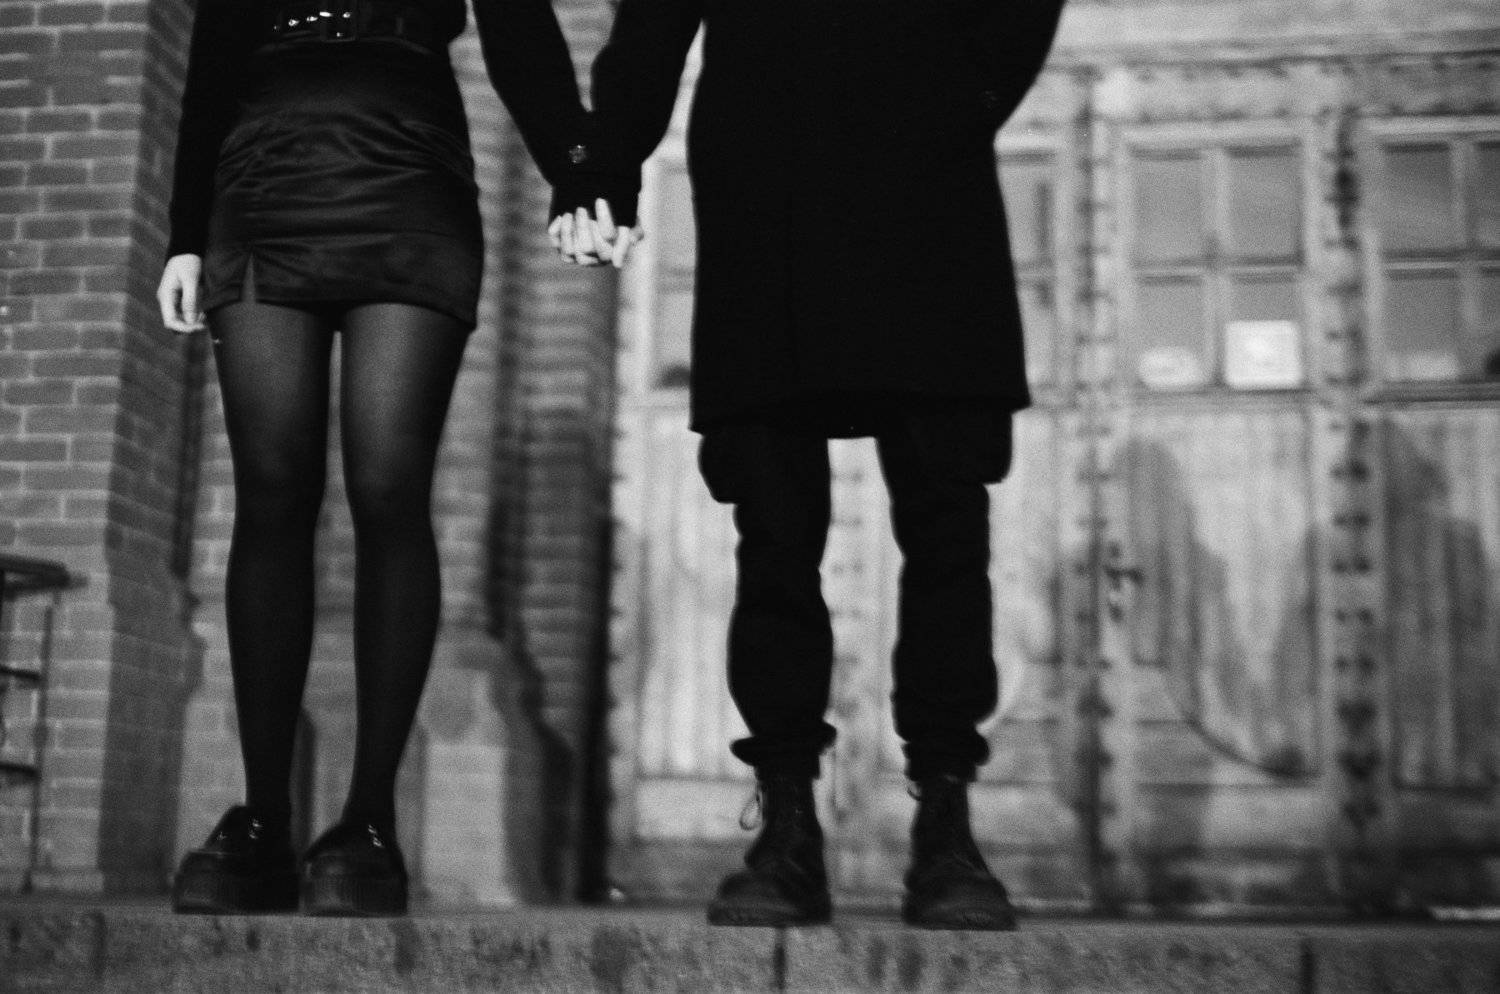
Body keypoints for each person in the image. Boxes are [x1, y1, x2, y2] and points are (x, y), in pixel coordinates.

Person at [554, 0, 1068, 928]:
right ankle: (787, 823)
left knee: (948, 522)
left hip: (928, 181)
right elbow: (651, 25)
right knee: (774, 535)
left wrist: (962, 98)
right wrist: (605, 166)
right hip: (767, 180)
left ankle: (946, 823)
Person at [158, 0, 608, 917]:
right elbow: (211, 61)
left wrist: (578, 171)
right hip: (263, 175)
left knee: (389, 486)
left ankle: (369, 824)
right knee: (272, 491)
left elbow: (520, 35)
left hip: (408, 174)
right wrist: (184, 235)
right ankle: (263, 819)